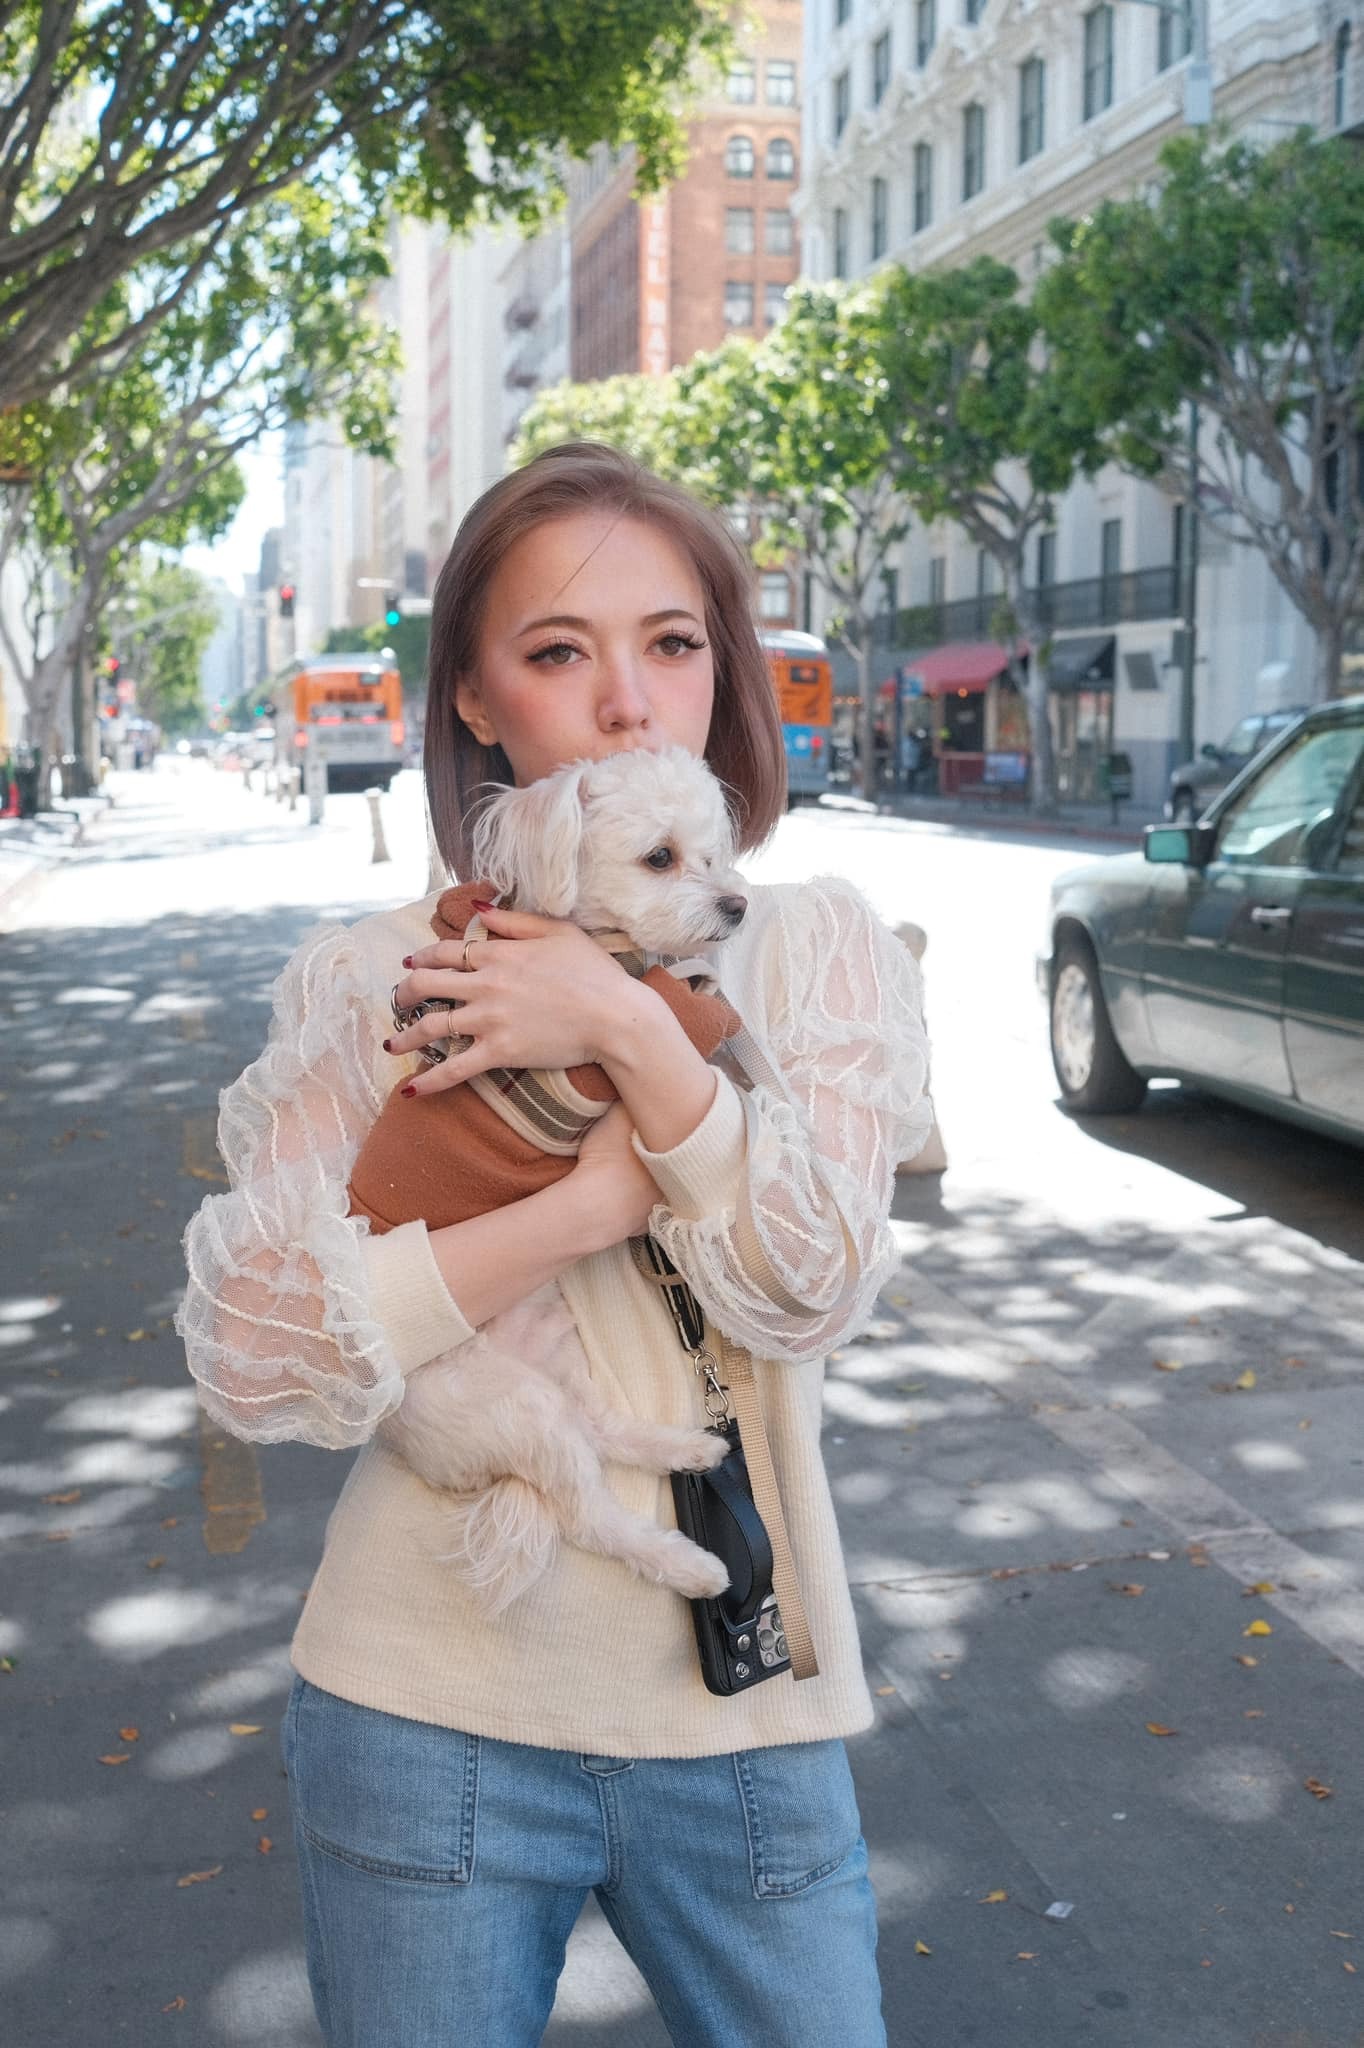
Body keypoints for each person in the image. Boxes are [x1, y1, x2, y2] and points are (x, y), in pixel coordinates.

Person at [178, 441, 932, 2048]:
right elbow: (253, 1352)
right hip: (425, 1714)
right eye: (558, 652)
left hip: (746, 1718)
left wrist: (633, 1036)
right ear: (471, 694)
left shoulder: (808, 947)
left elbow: (807, 1287)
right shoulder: (377, 974)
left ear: (724, 666)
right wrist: (581, 1210)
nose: (631, 703)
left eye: (672, 642)